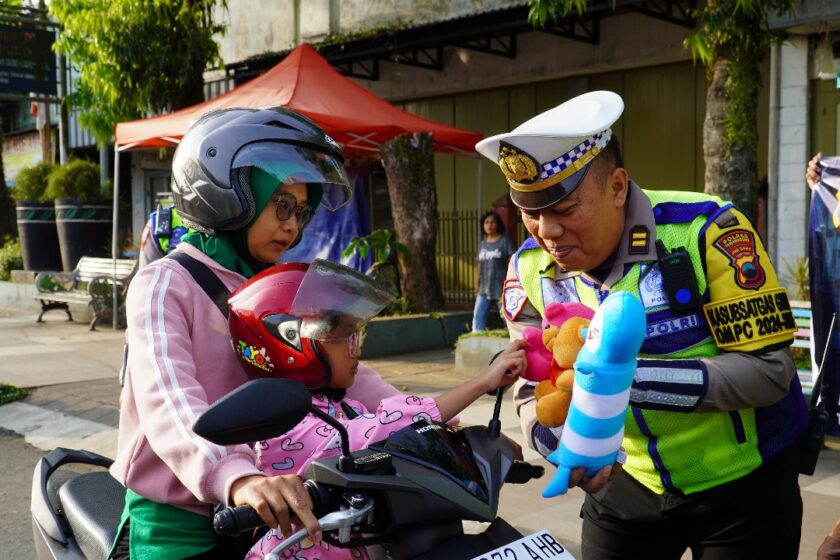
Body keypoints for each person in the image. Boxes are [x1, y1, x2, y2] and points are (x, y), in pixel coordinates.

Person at [476, 90, 809, 559]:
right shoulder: (528, 268)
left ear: (617, 187)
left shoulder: (707, 231)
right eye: (531, 213)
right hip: (622, 483)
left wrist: (625, 383)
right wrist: (560, 445)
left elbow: (770, 371)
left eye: (565, 210)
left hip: (743, 483)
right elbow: (534, 382)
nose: (546, 231)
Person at [110, 107, 403, 560]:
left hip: (271, 500)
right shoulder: (165, 283)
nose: (292, 224)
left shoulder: (278, 287)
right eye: (281, 204)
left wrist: (421, 420)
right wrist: (236, 476)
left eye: (301, 211)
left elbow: (341, 368)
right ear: (227, 195)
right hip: (179, 517)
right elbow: (167, 399)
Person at [227, 259, 527, 559]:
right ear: (289, 343)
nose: (357, 349)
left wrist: (477, 448)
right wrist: (481, 383)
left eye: (357, 335)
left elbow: (404, 440)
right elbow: (379, 428)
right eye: (345, 337)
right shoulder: (287, 424)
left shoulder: (343, 405)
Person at [472, 210, 516, 331]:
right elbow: (479, 264)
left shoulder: (505, 241)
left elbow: (513, 262)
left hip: (502, 288)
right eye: (486, 222)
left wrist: (512, 281)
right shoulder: (482, 244)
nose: (489, 225)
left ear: (498, 224)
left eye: (492, 222)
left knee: (509, 319)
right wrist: (477, 283)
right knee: (478, 319)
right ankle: (476, 343)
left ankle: (514, 341)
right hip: (484, 289)